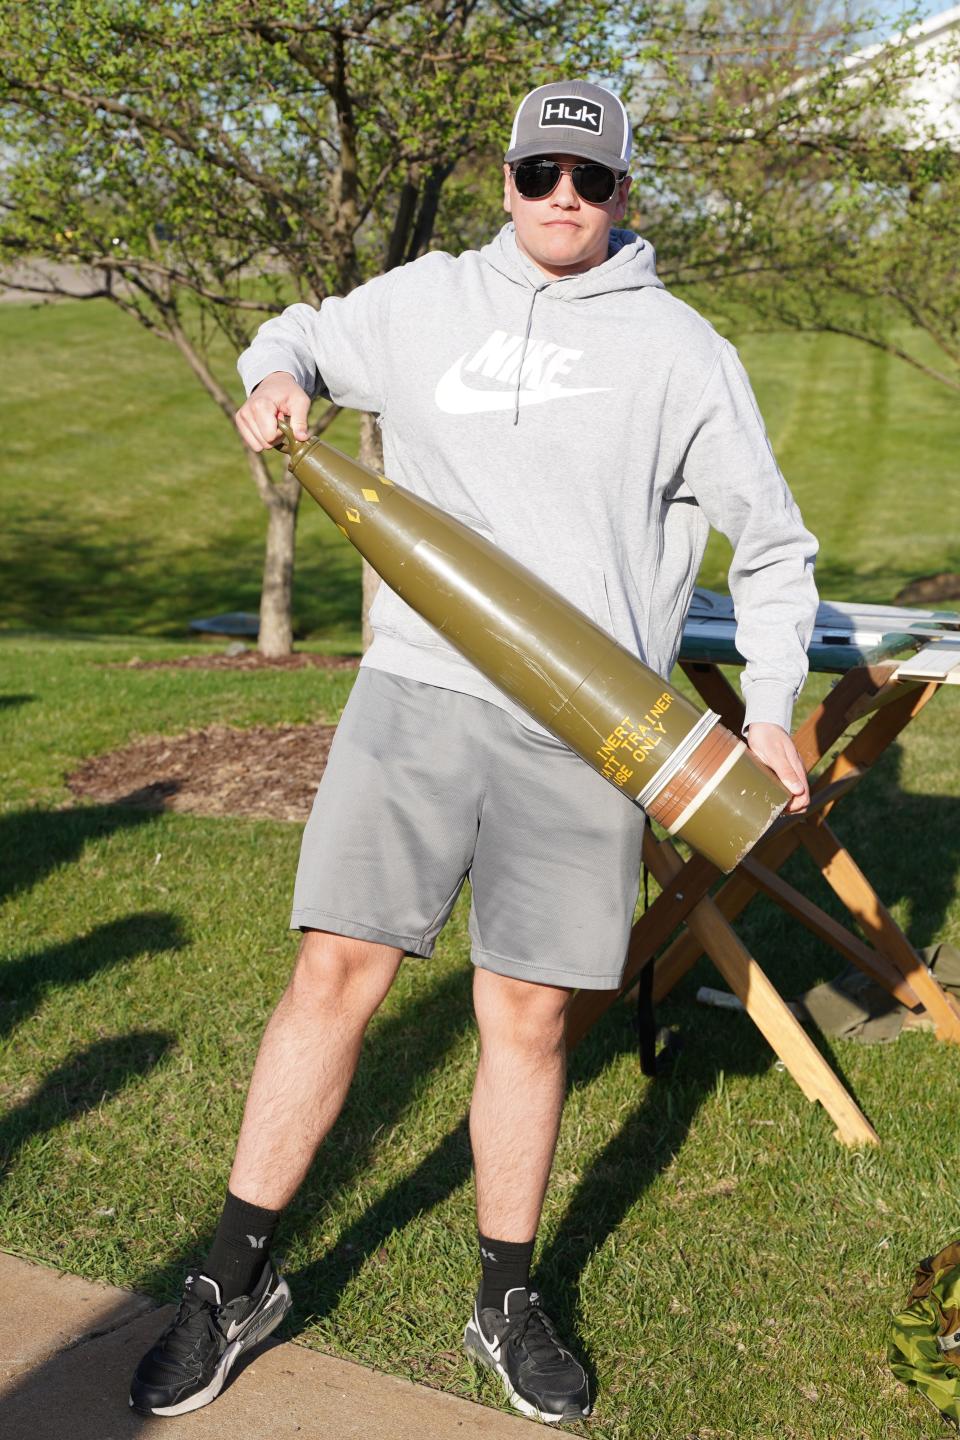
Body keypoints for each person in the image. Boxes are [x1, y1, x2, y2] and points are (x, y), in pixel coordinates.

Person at [130, 79, 817, 1424]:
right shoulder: (423, 298)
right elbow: (307, 336)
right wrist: (278, 372)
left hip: (591, 727)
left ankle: (506, 1296)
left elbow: (778, 550)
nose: (565, 198)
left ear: (628, 195)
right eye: (542, 171)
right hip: (415, 695)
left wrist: (778, 708)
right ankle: (231, 1282)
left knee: (525, 1015)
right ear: (506, 176)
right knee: (334, 970)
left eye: (593, 179)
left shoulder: (684, 352)